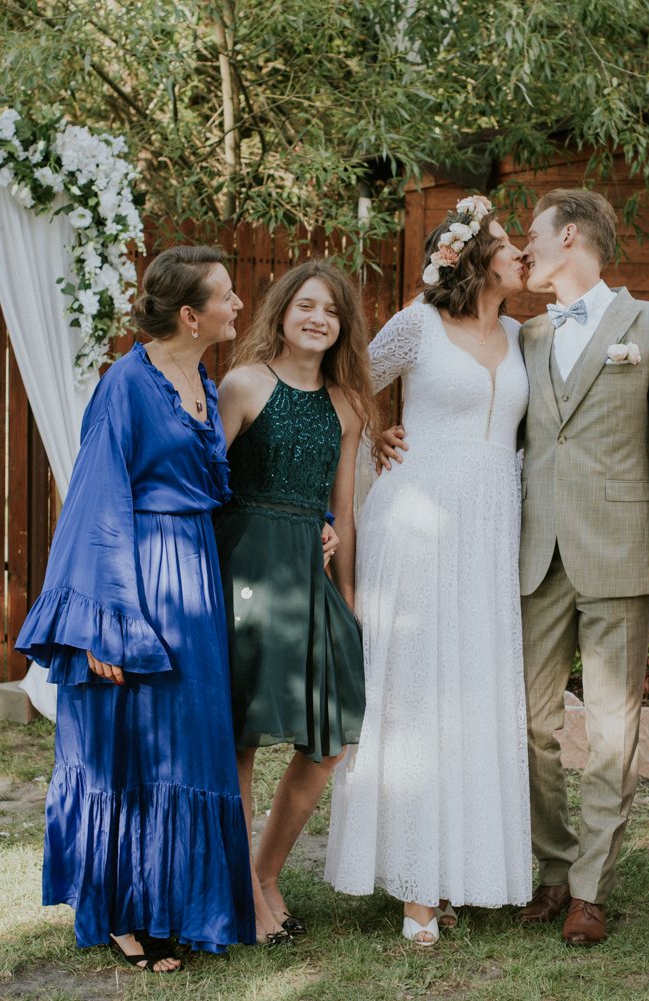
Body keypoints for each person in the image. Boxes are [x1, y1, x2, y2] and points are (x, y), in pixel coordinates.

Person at [14, 246, 255, 972]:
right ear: (190, 315)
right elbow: (94, 503)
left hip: (194, 583)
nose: (239, 304)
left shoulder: (201, 381)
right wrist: (101, 626)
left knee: (186, 742)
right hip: (136, 575)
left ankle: (177, 901)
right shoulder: (124, 384)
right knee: (129, 742)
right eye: (226, 295)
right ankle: (123, 913)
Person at [324, 195, 534, 947]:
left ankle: (462, 867)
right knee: (416, 687)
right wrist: (376, 434)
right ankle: (416, 884)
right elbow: (347, 384)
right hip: (415, 523)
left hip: (489, 529)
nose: (522, 253)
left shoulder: (521, 336)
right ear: (471, 256)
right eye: (507, 243)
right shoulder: (418, 323)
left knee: (473, 689)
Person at [516, 188, 649, 945]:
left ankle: (589, 889)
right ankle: (555, 865)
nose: (523, 249)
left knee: (611, 730)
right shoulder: (527, 335)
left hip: (620, 549)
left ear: (569, 236)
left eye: (532, 235)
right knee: (529, 722)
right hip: (535, 554)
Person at [213, 259, 371, 945]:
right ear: (281, 312)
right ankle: (246, 896)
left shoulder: (348, 404)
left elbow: (345, 507)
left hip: (311, 574)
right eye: (306, 305)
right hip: (246, 569)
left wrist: (348, 596)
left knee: (330, 736)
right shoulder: (245, 384)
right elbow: (207, 484)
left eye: (331, 310)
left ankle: (266, 870)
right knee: (242, 739)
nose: (317, 318)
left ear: (343, 326)